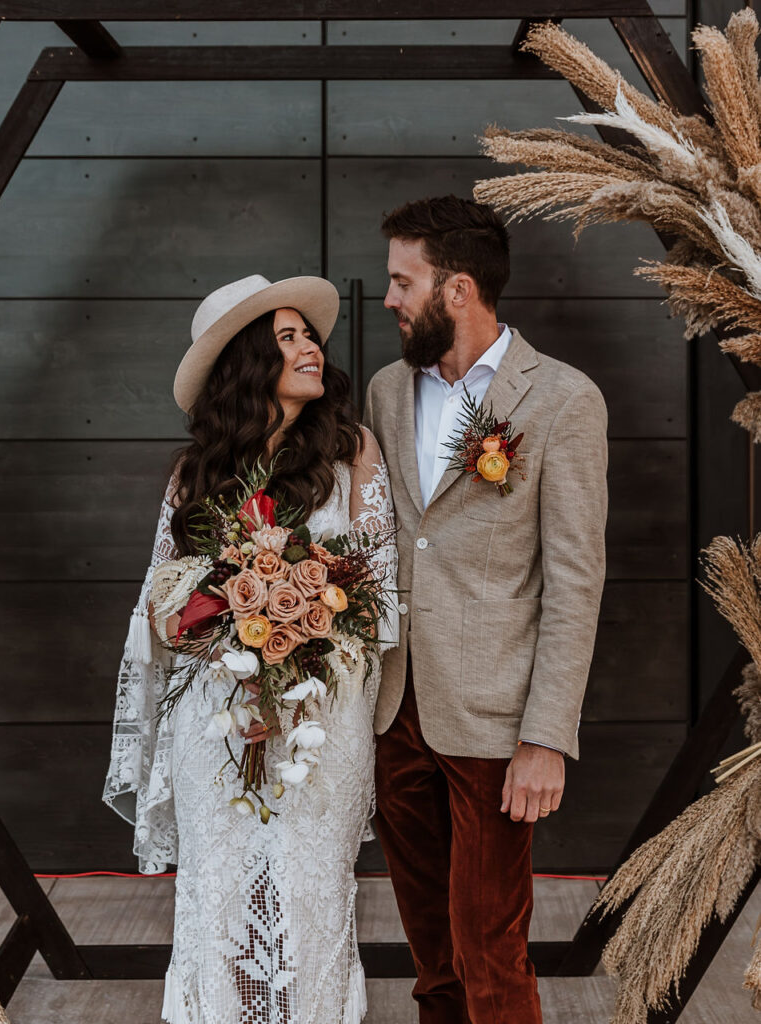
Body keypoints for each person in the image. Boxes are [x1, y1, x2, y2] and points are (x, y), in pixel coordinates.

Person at [102, 274, 398, 1024]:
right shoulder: (193, 474)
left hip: (319, 721)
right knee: (223, 890)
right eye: (288, 339)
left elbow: (382, 600)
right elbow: (161, 610)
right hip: (212, 721)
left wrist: (294, 651)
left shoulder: (352, 452)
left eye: (309, 336)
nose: (311, 349)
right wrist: (228, 635)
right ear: (246, 364)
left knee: (311, 892)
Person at [363, 195, 608, 1024]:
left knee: (488, 954)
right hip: (397, 711)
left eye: (404, 282)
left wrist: (546, 737)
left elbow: (575, 582)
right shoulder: (385, 393)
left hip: (496, 725)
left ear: (457, 289)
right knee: (432, 959)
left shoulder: (562, 400)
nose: (389, 299)